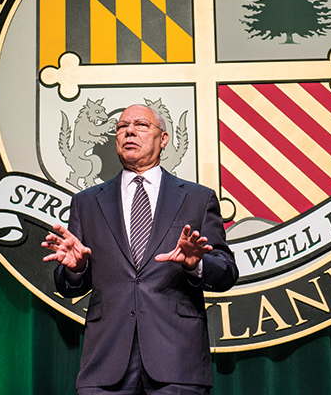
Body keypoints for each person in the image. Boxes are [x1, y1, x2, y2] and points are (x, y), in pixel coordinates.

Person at [42, 104, 238, 394]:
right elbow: (70, 287)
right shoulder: (86, 202)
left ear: (164, 139)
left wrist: (195, 264)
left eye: (141, 125)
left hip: (176, 361)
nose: (129, 131)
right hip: (106, 363)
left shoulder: (197, 199)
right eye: (122, 127)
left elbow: (227, 273)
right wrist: (76, 269)